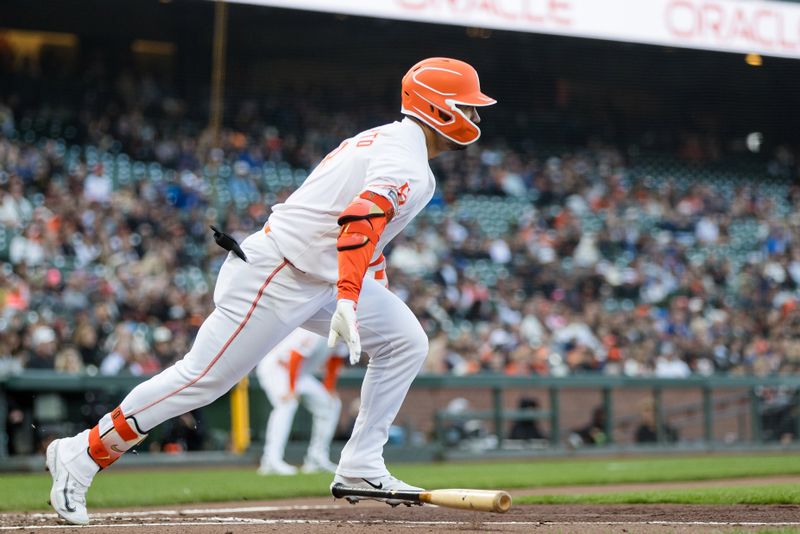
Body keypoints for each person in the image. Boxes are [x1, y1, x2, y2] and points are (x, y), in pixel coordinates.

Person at [46, 57, 495, 524]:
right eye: (468, 106)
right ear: (438, 108)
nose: (476, 117)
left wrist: (358, 292)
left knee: (406, 341)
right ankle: (82, 454)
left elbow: (368, 241)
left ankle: (362, 463)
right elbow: (359, 221)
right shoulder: (405, 159)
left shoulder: (394, 144)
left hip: (316, 273)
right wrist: (347, 297)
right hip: (280, 272)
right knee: (203, 380)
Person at [256, 328, 344, 475]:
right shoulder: (316, 329)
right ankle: (270, 461)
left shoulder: (345, 331)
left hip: (300, 374)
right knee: (287, 404)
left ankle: (316, 459)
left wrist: (329, 387)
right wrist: (291, 389)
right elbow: (295, 356)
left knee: (330, 404)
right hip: (277, 368)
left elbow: (336, 358)